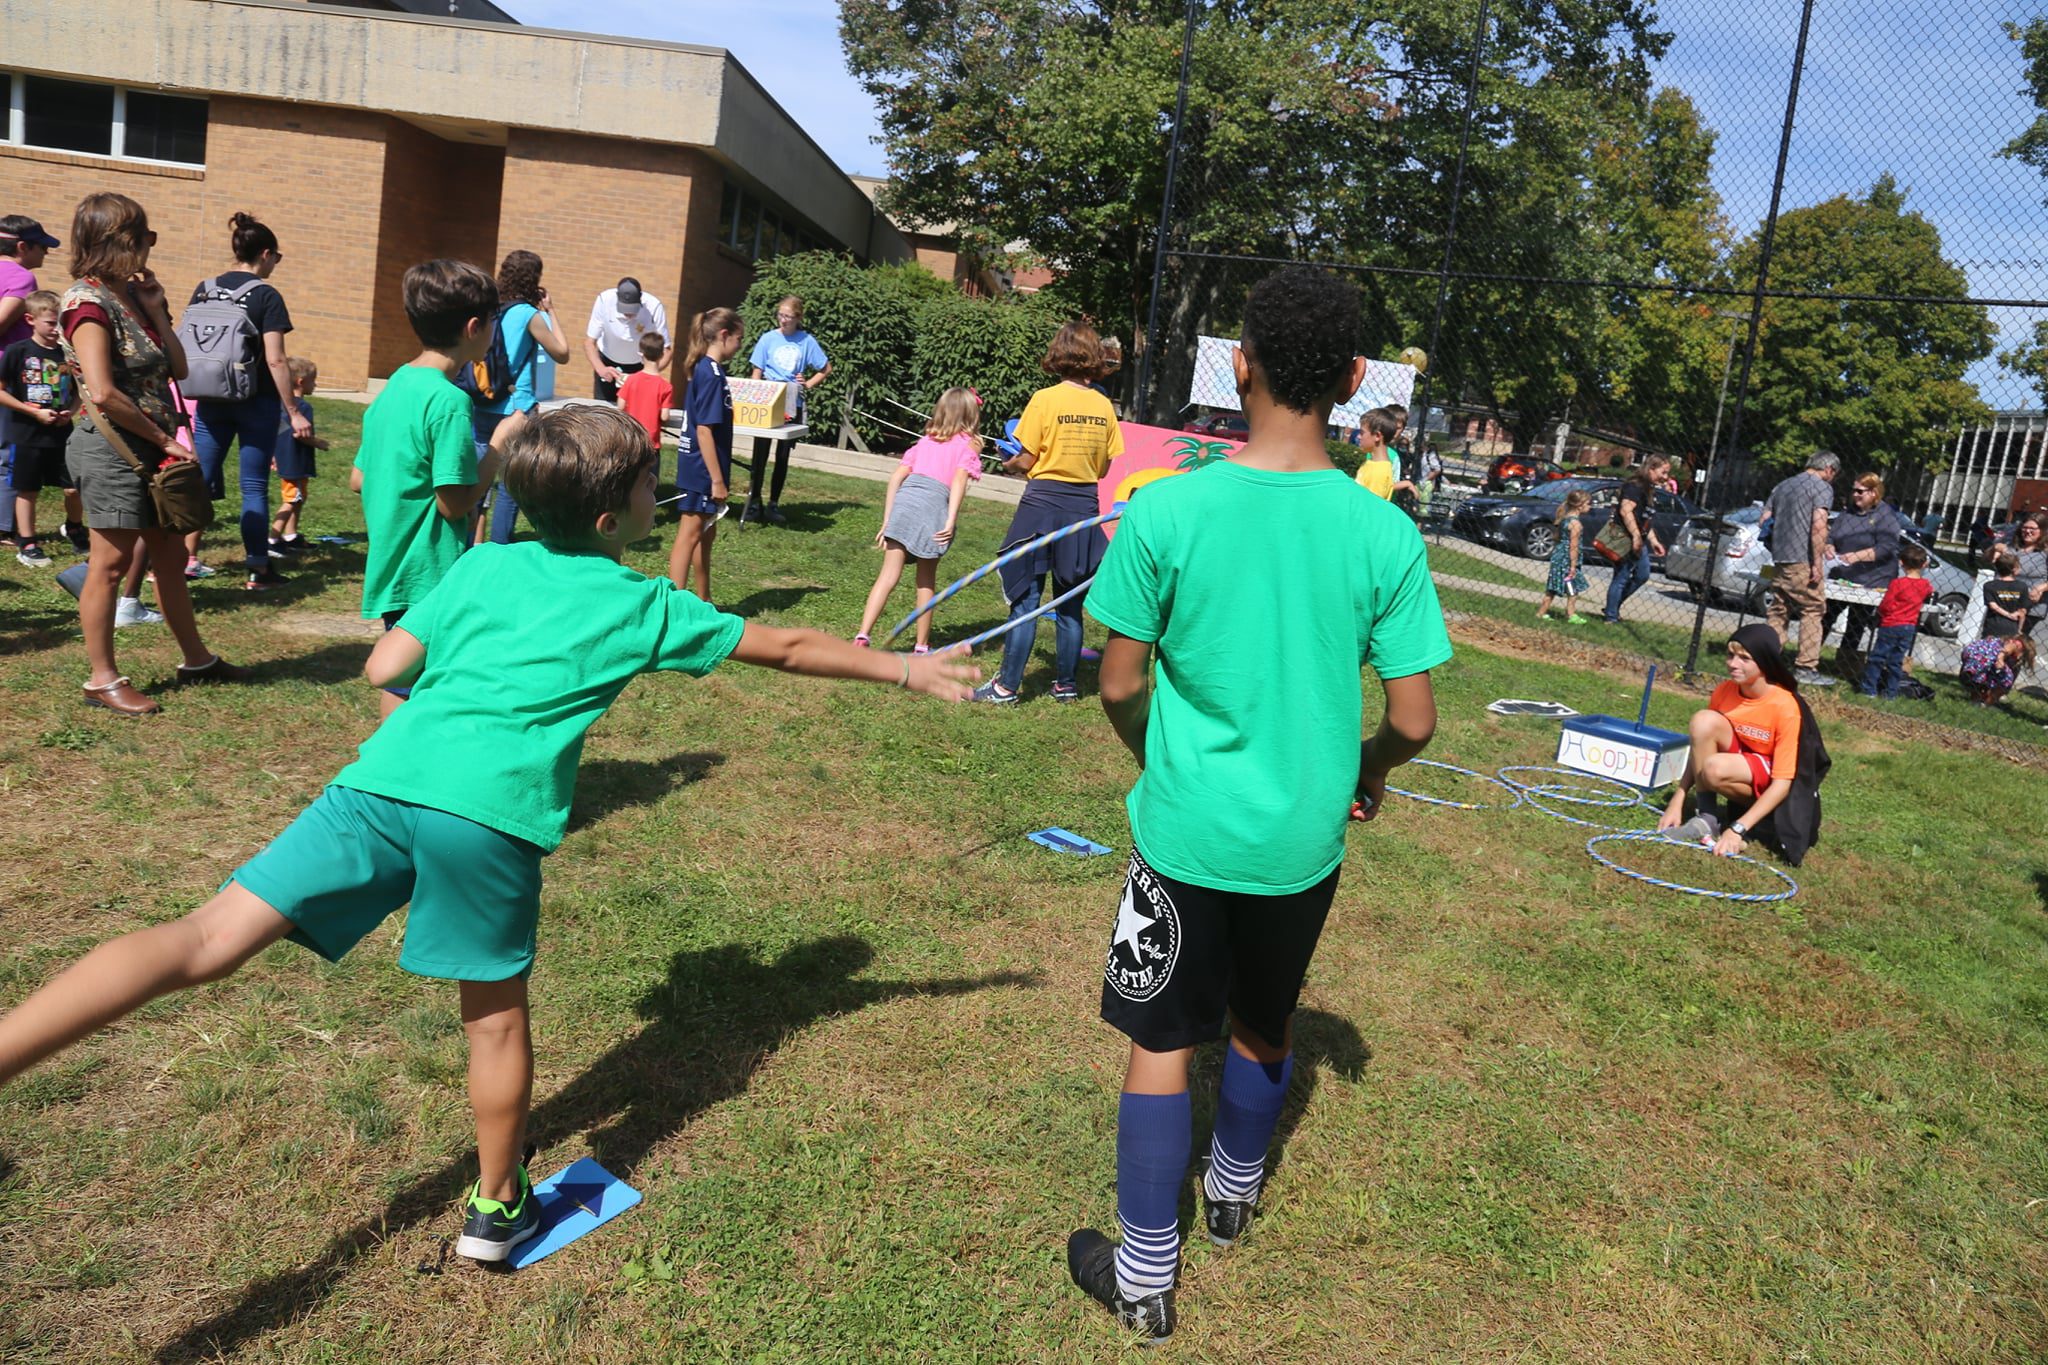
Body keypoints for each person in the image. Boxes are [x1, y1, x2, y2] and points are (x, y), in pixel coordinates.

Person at [0, 403, 980, 1267]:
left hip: (376, 790)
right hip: (486, 820)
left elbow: (385, 661)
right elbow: (791, 647)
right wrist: (904, 672)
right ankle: (494, 1205)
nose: (661, 493)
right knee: (495, 1019)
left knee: (202, 939)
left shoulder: (483, 563)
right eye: (651, 482)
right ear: (613, 518)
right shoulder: (641, 604)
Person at [1067, 265, 1448, 1345]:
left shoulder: (1166, 510)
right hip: (1301, 841)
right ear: (1346, 380)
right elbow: (1415, 721)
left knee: (1157, 1038)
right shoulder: (1385, 534)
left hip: (1184, 830)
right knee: (1262, 1017)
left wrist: (1155, 761)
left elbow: (1117, 682)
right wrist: (1366, 771)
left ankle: (1144, 1272)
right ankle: (1231, 1193)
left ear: (1237, 368)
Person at [59, 192, 250, 715]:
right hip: (112, 447)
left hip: (150, 445)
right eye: (146, 237)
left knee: (168, 557)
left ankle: (196, 660)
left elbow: (180, 369)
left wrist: (158, 310)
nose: (150, 246)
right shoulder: (87, 302)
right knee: (111, 561)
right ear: (119, 241)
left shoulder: (127, 297)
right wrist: (166, 441)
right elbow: (102, 392)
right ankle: (101, 679)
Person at [353, 260, 502, 721]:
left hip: (395, 565)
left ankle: (386, 763)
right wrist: (499, 446)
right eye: (493, 322)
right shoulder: (450, 401)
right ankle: (399, 774)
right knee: (434, 677)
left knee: (403, 677)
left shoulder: (398, 384)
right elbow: (454, 501)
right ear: (475, 327)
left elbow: (359, 477)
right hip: (430, 572)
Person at [973, 321, 1124, 704]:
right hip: (1083, 508)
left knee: (1027, 599)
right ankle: (1067, 685)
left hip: (1041, 504)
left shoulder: (1045, 399)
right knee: (1069, 604)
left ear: (1059, 353)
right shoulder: (1104, 405)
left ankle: (1006, 688)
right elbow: (1104, 469)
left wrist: (1010, 463)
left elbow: (1026, 459)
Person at [182, 212, 308, 590]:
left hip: (208, 396)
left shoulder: (204, 288)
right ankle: (258, 569)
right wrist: (293, 410)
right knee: (253, 485)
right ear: (265, 254)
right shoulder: (266, 296)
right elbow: (275, 359)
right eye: (277, 257)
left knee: (198, 481)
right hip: (255, 400)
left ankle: (179, 560)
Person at [853, 387, 983, 652]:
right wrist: (950, 519)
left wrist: (887, 520)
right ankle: (921, 646)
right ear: (971, 415)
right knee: (925, 581)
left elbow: (895, 478)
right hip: (933, 506)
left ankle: (862, 636)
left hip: (905, 500)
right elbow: (959, 480)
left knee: (887, 576)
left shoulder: (924, 441)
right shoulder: (968, 445)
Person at [1658, 623, 1804, 857]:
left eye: (1744, 658)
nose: (1732, 664)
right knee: (1703, 720)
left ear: (1765, 662)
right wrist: (1678, 798)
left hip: (1770, 784)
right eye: (1731, 655)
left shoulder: (1785, 706)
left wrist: (1737, 829)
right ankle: (1706, 818)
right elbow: (1699, 749)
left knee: (1713, 768)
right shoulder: (1724, 691)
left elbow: (1783, 783)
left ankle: (1759, 820)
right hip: (1738, 768)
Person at [476, 250, 571, 545]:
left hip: (483, 402)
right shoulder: (529, 315)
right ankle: (499, 548)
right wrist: (550, 310)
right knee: (510, 485)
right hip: (517, 408)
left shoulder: (490, 308)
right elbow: (562, 353)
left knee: (478, 480)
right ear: (534, 280)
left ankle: (468, 548)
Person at [665, 307, 742, 601]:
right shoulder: (709, 373)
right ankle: (673, 605)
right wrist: (717, 479)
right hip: (701, 470)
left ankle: (703, 600)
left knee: (705, 535)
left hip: (703, 469)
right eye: (739, 338)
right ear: (724, 335)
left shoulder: (709, 370)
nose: (740, 344)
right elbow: (704, 431)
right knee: (689, 535)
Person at [0, 290, 80, 567]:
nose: (56, 329)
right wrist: (31, 411)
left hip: (62, 431)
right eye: (50, 323)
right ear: (30, 319)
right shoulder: (17, 352)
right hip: (27, 432)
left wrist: (70, 412)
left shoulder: (69, 352)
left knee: (73, 488)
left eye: (60, 323)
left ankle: (74, 527)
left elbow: (79, 390)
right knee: (28, 489)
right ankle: (28, 541)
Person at [743, 294, 831, 524]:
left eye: (788, 317)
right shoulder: (768, 339)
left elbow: (825, 368)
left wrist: (807, 384)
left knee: (782, 456)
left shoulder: (806, 341)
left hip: (792, 399)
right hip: (769, 396)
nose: (783, 320)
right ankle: (753, 503)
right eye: (781, 315)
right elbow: (757, 371)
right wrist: (756, 395)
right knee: (759, 454)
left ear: (798, 318)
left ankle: (773, 503)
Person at [0, 215, 60, 548]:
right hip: (9, 377)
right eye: (42, 247)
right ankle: (5, 527)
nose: (46, 254)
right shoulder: (22, 277)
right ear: (23, 247)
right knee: (10, 451)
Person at [1760, 450, 1841, 684]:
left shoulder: (1783, 485)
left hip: (1781, 557)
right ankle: (1806, 667)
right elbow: (1818, 526)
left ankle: (1768, 660)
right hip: (1802, 558)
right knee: (1813, 608)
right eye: (1833, 475)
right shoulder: (1822, 488)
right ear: (1828, 469)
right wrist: (1817, 562)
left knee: (1779, 608)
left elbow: (1764, 520)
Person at [1821, 472, 1902, 666]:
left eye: (1860, 491)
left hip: (1871, 580)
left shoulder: (1885, 516)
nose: (1855, 495)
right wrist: (1829, 546)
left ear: (1874, 493)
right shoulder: (1848, 512)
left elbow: (1887, 547)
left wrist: (1857, 556)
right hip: (1842, 577)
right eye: (1853, 490)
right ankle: (1809, 657)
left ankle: (1845, 663)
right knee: (1825, 616)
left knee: (1856, 623)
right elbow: (1832, 536)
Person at [1600, 453, 1671, 625]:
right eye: (1664, 472)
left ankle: (1613, 607)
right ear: (1652, 468)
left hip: (1639, 537)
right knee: (1622, 575)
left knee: (1642, 575)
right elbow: (1626, 511)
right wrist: (1636, 536)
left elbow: (1645, 519)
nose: (1666, 477)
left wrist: (1653, 540)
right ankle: (1611, 616)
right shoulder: (1635, 486)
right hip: (1625, 536)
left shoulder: (1649, 489)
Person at [269, 356, 327, 556]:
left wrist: (274, 455)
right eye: (313, 380)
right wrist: (318, 443)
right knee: (292, 499)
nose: (316, 384)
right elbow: (300, 434)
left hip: (287, 459)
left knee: (298, 498)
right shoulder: (302, 407)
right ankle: (273, 539)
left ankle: (291, 536)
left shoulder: (280, 404)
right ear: (301, 382)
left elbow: (277, 432)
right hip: (295, 461)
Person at [1859, 543, 1933, 698]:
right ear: (1924, 564)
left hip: (1891, 624)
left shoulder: (1897, 583)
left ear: (1901, 563)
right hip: (1909, 626)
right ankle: (1891, 692)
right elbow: (1928, 593)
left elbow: (1886, 604)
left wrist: (1880, 613)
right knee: (1896, 661)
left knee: (1878, 657)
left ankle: (1869, 689)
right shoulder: (1925, 585)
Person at [584, 277, 670, 403]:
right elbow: (589, 342)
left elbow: (667, 351)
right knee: (602, 411)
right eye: (624, 309)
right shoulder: (604, 300)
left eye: (632, 310)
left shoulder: (654, 307)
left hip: (639, 367)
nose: (628, 314)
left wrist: (647, 374)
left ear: (640, 300)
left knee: (634, 411)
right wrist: (601, 369)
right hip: (608, 363)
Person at [1535, 488, 1592, 623]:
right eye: (1589, 503)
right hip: (1567, 559)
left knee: (1553, 586)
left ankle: (1541, 612)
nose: (1590, 506)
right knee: (1572, 585)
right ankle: (1570, 614)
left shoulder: (1565, 519)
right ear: (1580, 505)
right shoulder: (1576, 524)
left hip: (1559, 555)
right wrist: (1573, 565)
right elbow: (1573, 546)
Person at [616, 331, 673, 452]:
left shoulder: (630, 380)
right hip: (651, 443)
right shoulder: (666, 386)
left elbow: (620, 406)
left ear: (641, 354)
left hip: (632, 439)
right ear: (662, 355)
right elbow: (665, 416)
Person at [1959, 634, 2035, 705]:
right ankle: (1986, 703)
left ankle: (1972, 675)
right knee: (2007, 678)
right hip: (1986, 657)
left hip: (1973, 651)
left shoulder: (2002, 641)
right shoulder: (2017, 644)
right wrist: (2000, 659)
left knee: (1984, 678)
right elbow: (2007, 649)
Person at [1351, 406, 1401, 500]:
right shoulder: (1371, 463)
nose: (1358, 436)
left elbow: (1369, 509)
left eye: (1362, 433)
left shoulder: (1379, 473)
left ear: (1377, 436)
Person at [1981, 550, 2028, 639]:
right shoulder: (2022, 586)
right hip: (2012, 627)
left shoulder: (1989, 585)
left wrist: (2007, 614)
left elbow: (1993, 606)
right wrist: (2019, 629)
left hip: (1992, 625)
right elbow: (2022, 612)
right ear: (2014, 569)